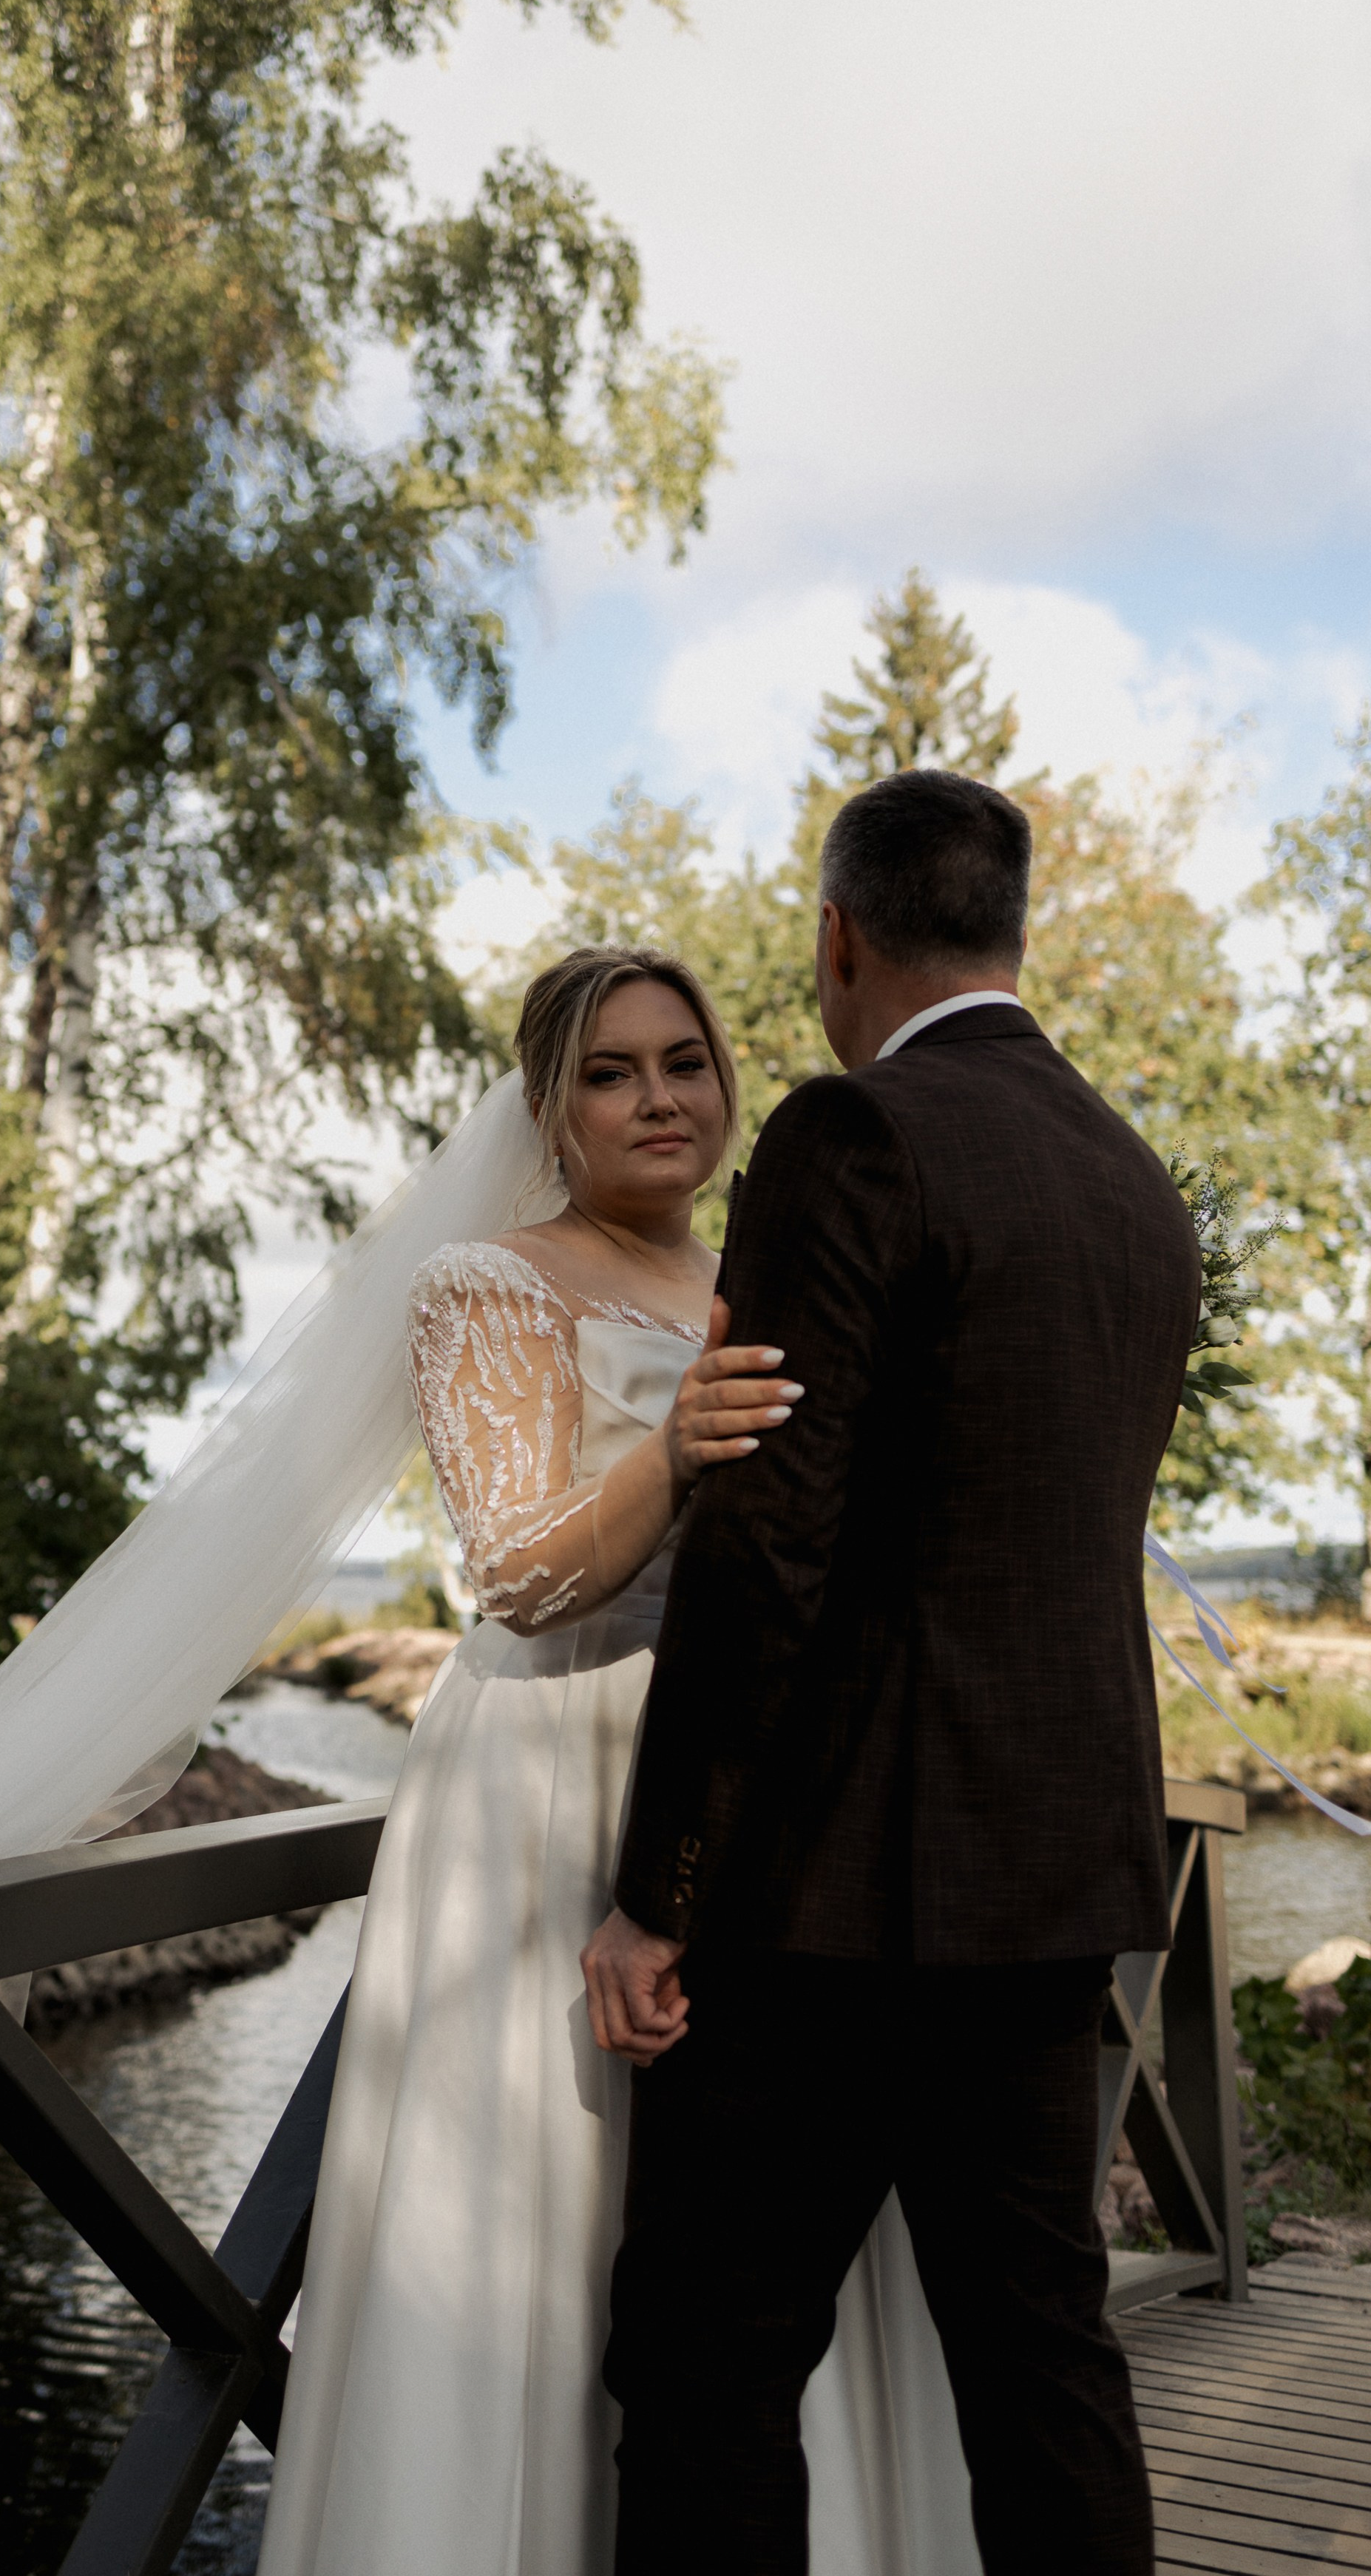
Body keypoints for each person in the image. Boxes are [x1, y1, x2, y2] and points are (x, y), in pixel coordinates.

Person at [259, 943, 984, 2576]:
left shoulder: (769, 1272)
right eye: (610, 1073)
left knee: (749, 2242)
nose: (660, 1098)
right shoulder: (487, 1285)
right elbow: (514, 1574)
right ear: (549, 1112)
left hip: (752, 1785)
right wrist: (673, 1451)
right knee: (538, 2204)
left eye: (685, 1062)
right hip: (549, 1782)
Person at [584, 770, 1201, 2575]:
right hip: (1053, 1884)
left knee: (704, 2365)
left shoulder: (853, 1135)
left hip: (830, 1906)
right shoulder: (1130, 1179)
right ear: (1016, 929)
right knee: (1042, 2361)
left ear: (838, 937)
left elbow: (770, 1548)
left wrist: (657, 1892)